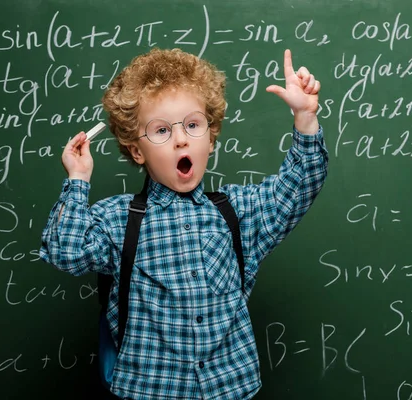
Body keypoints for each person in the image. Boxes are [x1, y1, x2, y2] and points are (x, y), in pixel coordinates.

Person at [39, 47, 328, 399]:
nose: (180, 139)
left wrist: (305, 117)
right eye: (161, 130)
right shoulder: (118, 220)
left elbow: (299, 185)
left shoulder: (238, 212)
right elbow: (66, 252)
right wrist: (79, 179)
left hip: (230, 389)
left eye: (192, 125)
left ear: (210, 136)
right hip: (148, 391)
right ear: (137, 151)